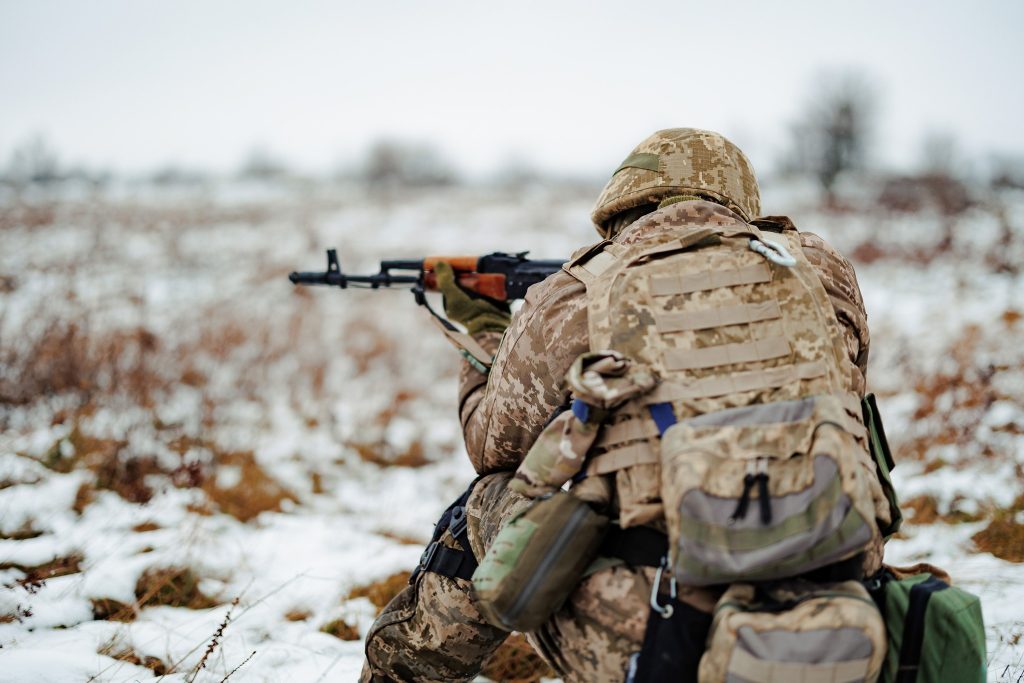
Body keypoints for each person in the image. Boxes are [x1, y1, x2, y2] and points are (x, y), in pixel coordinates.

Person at [361, 128, 881, 682]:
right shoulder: (821, 272)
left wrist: (487, 337)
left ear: (625, 200)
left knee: (487, 502)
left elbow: (494, 446)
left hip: (663, 631)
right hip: (837, 622)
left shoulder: (586, 286)